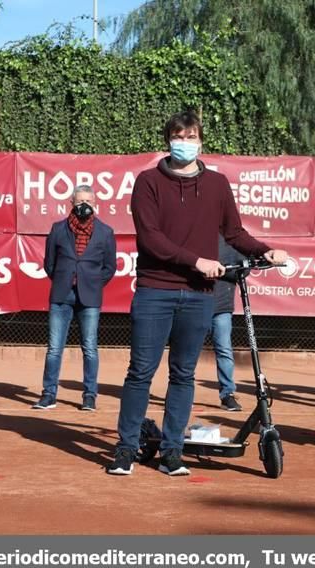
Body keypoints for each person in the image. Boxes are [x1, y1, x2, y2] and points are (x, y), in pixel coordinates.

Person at [108, 110, 287, 476]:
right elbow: (152, 239)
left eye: (191, 136)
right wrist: (197, 261)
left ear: (201, 141)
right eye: (178, 136)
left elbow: (234, 233)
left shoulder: (218, 185)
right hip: (155, 290)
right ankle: (125, 450)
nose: (185, 142)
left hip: (198, 295)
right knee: (140, 372)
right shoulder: (147, 182)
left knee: (183, 375)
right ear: (167, 140)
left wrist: (263, 250)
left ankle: (172, 453)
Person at [32, 185, 117, 412]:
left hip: (90, 297)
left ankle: (89, 396)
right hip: (61, 295)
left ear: (95, 203)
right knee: (54, 348)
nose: (84, 206)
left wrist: (92, 283)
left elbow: (110, 267)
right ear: (71, 203)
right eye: (79, 202)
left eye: (88, 201)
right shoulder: (58, 229)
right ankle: (49, 394)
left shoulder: (106, 232)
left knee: (89, 348)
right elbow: (49, 264)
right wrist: (64, 279)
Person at [211, 235, 245, 412]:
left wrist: (224, 269)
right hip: (194, 305)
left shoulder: (233, 241)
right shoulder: (196, 234)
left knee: (224, 350)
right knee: (186, 352)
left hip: (222, 306)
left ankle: (227, 394)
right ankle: (178, 393)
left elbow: (244, 270)